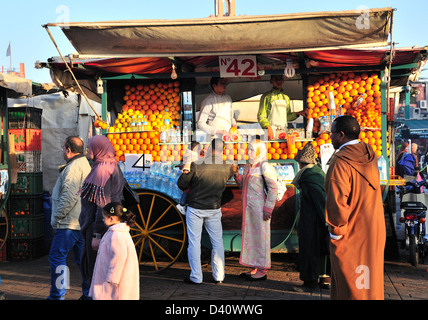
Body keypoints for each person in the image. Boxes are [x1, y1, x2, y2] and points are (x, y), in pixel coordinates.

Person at [325, 115, 385, 300]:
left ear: (341, 135)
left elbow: (336, 202)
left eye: (332, 134)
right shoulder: (369, 154)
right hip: (373, 228)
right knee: (369, 281)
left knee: (352, 284)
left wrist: (336, 232)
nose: (330, 138)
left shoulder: (341, 162)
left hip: (352, 231)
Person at [177, 138, 233, 284]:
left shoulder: (196, 165)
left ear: (208, 148)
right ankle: (219, 276)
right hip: (214, 208)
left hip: (195, 208)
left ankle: (196, 277)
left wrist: (185, 170)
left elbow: (182, 184)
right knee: (217, 242)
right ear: (223, 151)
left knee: (194, 242)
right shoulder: (228, 167)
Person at [48, 136, 91, 300]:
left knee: (57, 257)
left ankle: (57, 295)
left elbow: (69, 196)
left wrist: (57, 216)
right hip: (81, 221)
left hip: (68, 223)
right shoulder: (85, 164)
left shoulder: (73, 167)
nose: (62, 151)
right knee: (82, 261)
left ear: (68, 149)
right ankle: (88, 294)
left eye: (63, 148)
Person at [79, 135, 125, 286]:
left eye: (90, 147)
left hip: (98, 228)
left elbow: (102, 205)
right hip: (110, 226)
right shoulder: (114, 165)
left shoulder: (102, 170)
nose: (87, 150)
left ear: (98, 149)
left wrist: (96, 235)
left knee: (95, 271)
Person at [233, 139, 278, 280]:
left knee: (260, 237)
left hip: (260, 209)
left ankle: (262, 269)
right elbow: (243, 185)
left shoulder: (265, 167)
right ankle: (254, 265)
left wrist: (268, 208)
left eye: (252, 150)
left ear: (260, 151)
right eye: (249, 149)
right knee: (250, 237)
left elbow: (273, 188)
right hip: (249, 209)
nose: (249, 152)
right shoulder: (249, 166)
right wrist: (237, 175)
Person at [292, 142, 330, 291]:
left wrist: (326, 220)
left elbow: (320, 201)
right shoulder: (318, 173)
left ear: (302, 163)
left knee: (310, 250)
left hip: (312, 222)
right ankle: (323, 279)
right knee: (321, 250)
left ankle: (310, 283)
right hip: (317, 221)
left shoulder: (309, 178)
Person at [89, 202, 139, 300]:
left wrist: (112, 277)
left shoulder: (116, 234)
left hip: (114, 282)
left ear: (111, 218)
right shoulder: (117, 232)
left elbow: (119, 257)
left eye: (104, 218)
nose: (103, 220)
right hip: (113, 280)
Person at [258, 74, 304, 140]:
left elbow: (287, 116)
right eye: (276, 79)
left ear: (283, 81)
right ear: (271, 81)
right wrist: (268, 128)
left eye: (280, 79)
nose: (278, 81)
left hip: (283, 131)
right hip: (271, 132)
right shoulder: (266, 97)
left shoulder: (286, 98)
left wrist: (299, 113)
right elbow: (261, 116)